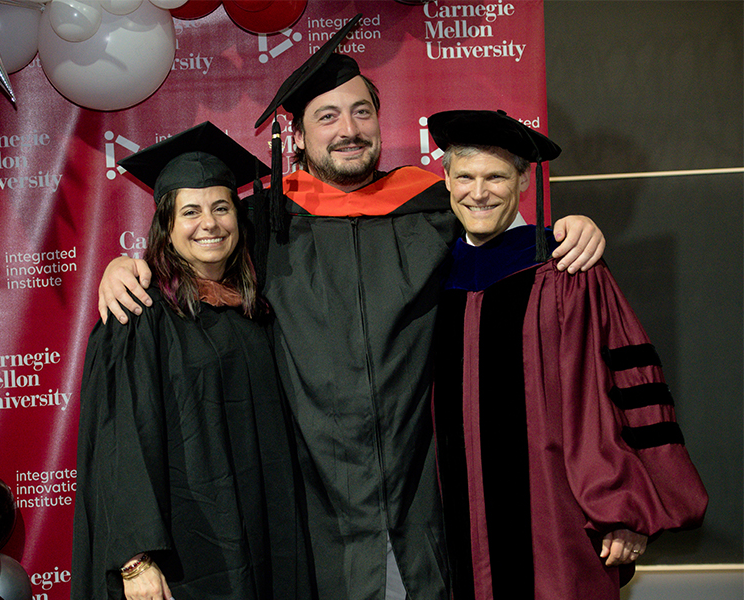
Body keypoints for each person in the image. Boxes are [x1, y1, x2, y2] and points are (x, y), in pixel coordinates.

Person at [95, 17, 606, 600]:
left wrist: (568, 227)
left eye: (362, 112)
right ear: (298, 135)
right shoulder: (268, 222)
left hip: (426, 485)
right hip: (314, 499)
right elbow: (199, 259)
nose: (349, 130)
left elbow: (502, 244)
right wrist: (126, 265)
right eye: (328, 116)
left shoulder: (431, 208)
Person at [428, 109, 708, 600]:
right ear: (446, 180)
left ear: (523, 180)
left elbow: (628, 391)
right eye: (465, 176)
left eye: (495, 176)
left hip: (558, 525)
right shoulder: (433, 275)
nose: (479, 192)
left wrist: (628, 509)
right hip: (457, 530)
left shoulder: (567, 270)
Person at [71, 122, 313, 600]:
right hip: (182, 554)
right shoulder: (139, 313)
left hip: (261, 543)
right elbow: (120, 442)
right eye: (191, 211)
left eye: (222, 207)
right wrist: (135, 559)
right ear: (166, 224)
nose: (210, 223)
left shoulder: (253, 311)